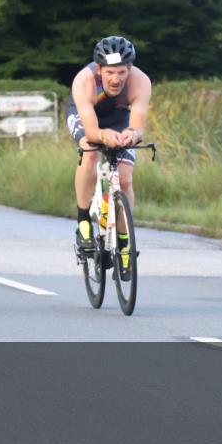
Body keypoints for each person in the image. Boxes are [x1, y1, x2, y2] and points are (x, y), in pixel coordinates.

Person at [66, 35, 152, 280]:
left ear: (130, 68)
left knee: (124, 180)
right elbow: (92, 131)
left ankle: (124, 244)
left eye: (122, 72)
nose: (116, 79)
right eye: (110, 72)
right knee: (90, 153)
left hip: (119, 120)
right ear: (99, 69)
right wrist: (104, 136)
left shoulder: (140, 82)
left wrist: (131, 134)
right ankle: (83, 221)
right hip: (87, 118)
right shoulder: (84, 81)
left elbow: (138, 126)